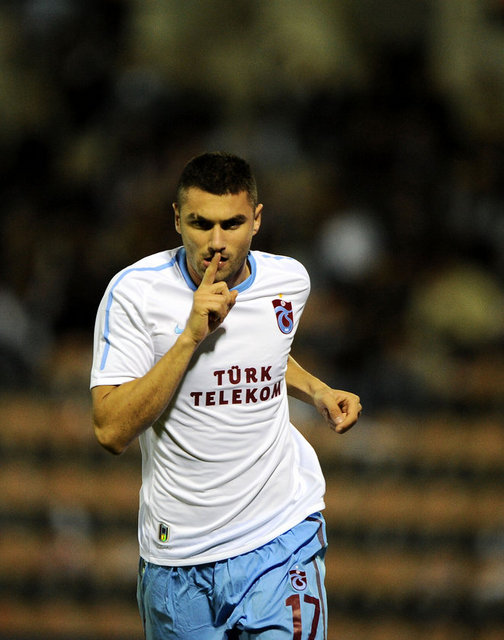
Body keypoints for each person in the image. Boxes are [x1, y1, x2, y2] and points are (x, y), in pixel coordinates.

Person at [90, 152, 362, 639]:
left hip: (282, 535)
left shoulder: (289, 281)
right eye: (201, 223)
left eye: (232, 224)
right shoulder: (135, 294)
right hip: (179, 558)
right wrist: (190, 337)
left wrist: (317, 390)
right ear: (177, 219)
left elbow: (266, 350)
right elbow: (110, 430)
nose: (216, 242)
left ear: (256, 220)